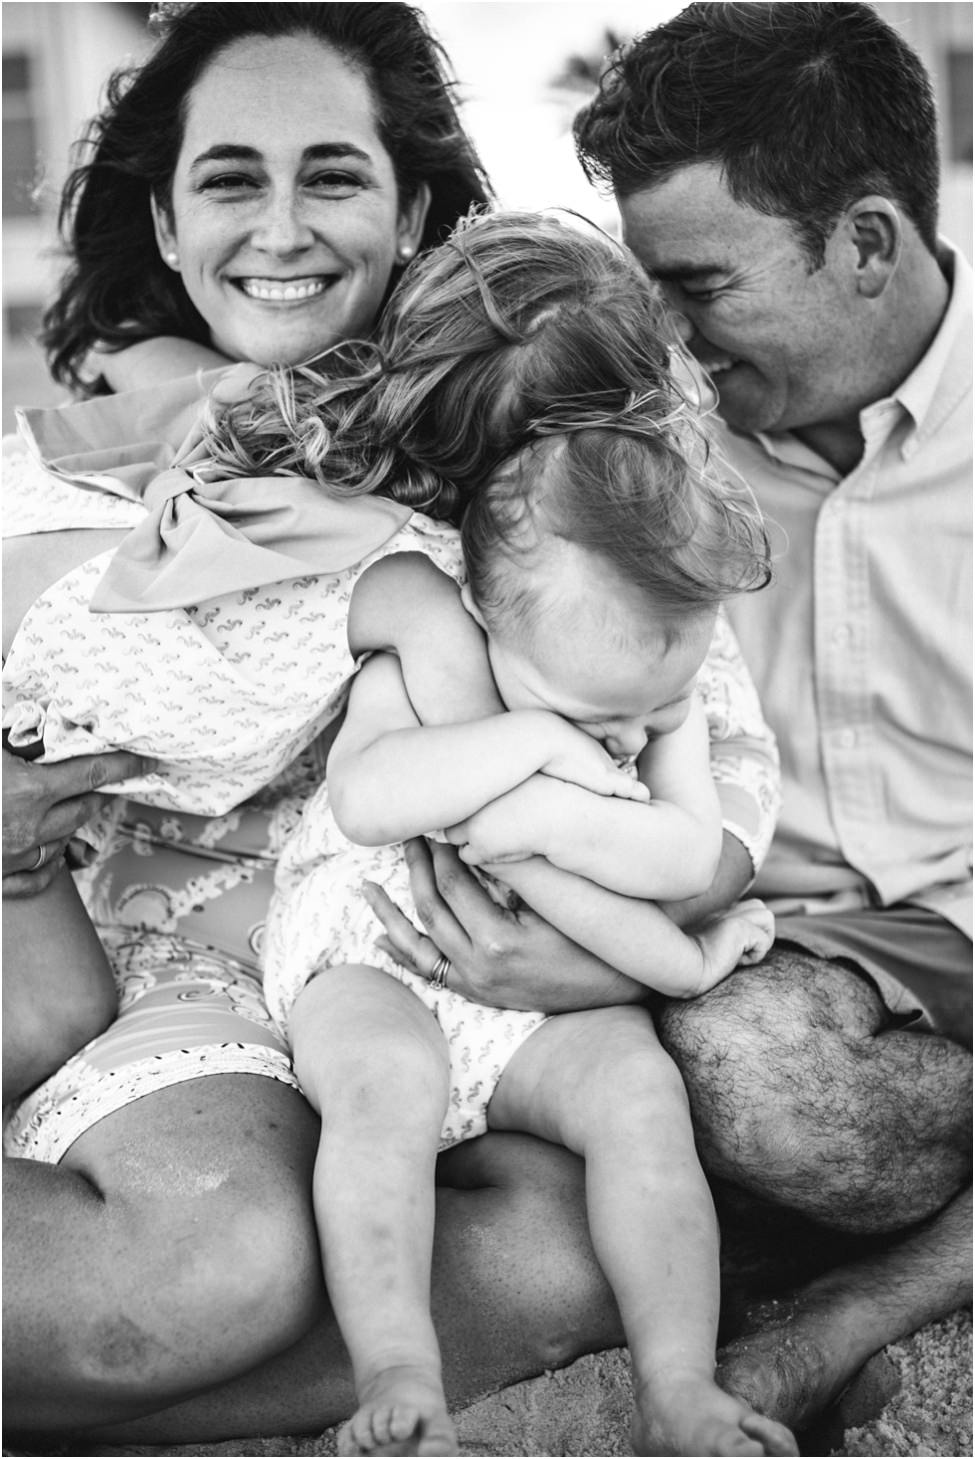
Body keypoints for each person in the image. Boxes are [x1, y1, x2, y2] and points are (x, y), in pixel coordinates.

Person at [1, 13, 780, 1436]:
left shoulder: (548, 444)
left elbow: (699, 716)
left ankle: (286, 1387)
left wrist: (674, 873)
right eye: (231, 179)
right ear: (165, 223)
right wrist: (395, 591)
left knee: (561, 1253)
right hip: (194, 960)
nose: (282, 227)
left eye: (334, 175)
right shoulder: (115, 447)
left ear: (414, 206)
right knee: (219, 1258)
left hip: (437, 973)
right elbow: (133, 679)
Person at [364, 0, 971, 1437]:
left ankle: (845, 1312)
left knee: (743, 1089)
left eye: (697, 281)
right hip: (773, 959)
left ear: (866, 243)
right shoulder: (626, 461)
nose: (663, 335)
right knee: (743, 1078)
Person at [261, 398, 783, 1452]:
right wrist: (537, 740)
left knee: (642, 1094)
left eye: (660, 708)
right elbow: (370, 802)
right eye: (599, 717)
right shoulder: (420, 666)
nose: (633, 737)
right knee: (384, 1087)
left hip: (550, 977)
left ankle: (678, 1382)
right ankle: (399, 1370)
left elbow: (682, 849)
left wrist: (679, 952)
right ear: (485, 625)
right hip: (378, 942)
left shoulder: (654, 693)